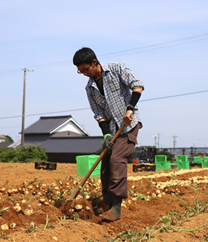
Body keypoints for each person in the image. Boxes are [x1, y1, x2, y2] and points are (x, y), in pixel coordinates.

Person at [73, 47, 144, 221]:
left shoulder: (116, 69)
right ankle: (107, 202)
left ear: (94, 63)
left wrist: (130, 109)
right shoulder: (90, 88)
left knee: (117, 160)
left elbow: (138, 86)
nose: (83, 73)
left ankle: (116, 208)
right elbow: (99, 114)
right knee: (105, 167)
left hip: (128, 126)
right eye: (79, 71)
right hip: (112, 131)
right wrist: (106, 135)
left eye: (85, 69)